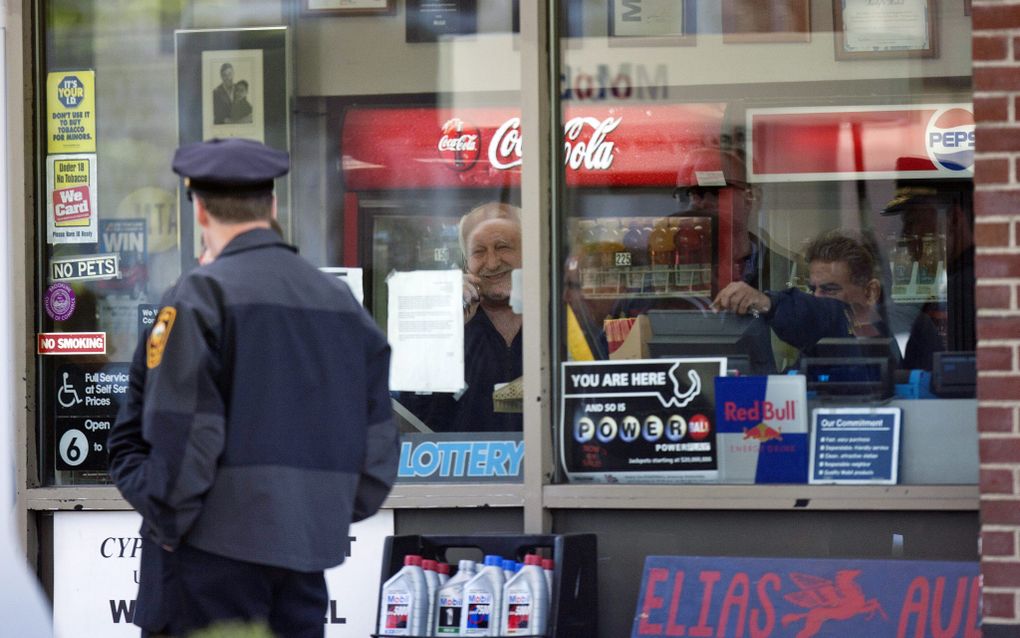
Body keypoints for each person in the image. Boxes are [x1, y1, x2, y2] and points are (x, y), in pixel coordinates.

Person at [107, 137, 399, 637]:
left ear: (199, 210)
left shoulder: (202, 295)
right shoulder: (340, 302)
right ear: (273, 204)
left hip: (207, 566)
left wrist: (169, 521)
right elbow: (375, 458)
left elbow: (184, 433)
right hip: (302, 566)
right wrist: (308, 518)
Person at [712, 230, 942, 369]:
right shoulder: (820, 338)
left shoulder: (906, 327)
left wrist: (768, 302)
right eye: (813, 290)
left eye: (830, 290)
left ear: (871, 292)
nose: (817, 298)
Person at [403, 201, 523, 432]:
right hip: (465, 465)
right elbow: (417, 422)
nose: (492, 262)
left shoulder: (554, 323)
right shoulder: (450, 326)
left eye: (502, 247)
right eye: (479, 251)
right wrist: (447, 333)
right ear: (466, 264)